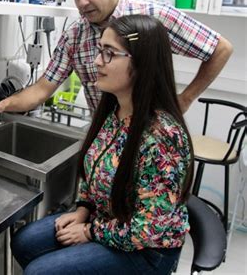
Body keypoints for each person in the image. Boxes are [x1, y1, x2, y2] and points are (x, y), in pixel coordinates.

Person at [11, 15, 194, 274]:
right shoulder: (114, 112)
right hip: (107, 219)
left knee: (40, 271)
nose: (96, 61)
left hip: (148, 250)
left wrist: (89, 231)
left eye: (109, 54)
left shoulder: (162, 138)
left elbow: (147, 229)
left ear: (142, 63)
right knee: (24, 242)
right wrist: (84, 208)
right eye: (99, 51)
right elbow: (92, 166)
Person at [0, 0, 232, 116]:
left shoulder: (153, 18)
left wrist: (186, 99)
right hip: (105, 140)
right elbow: (41, 89)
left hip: (150, 139)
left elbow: (221, 48)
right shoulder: (75, 36)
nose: (82, 3)